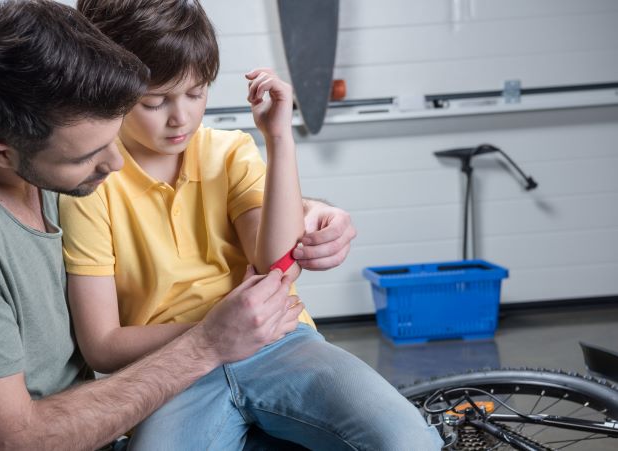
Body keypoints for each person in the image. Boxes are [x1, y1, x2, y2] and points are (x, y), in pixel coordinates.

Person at [0, 1, 356, 449]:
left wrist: (307, 209)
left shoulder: (31, 123)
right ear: (1, 153)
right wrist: (208, 340)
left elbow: (202, 183)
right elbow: (13, 441)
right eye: (89, 156)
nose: (115, 165)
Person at [59, 1, 443, 449]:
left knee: (408, 442)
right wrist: (215, 331)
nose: (180, 116)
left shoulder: (229, 152)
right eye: (155, 101)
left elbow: (276, 266)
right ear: (109, 87)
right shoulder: (90, 186)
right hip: (170, 369)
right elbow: (102, 346)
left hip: (279, 343)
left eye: (196, 92)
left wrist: (279, 139)